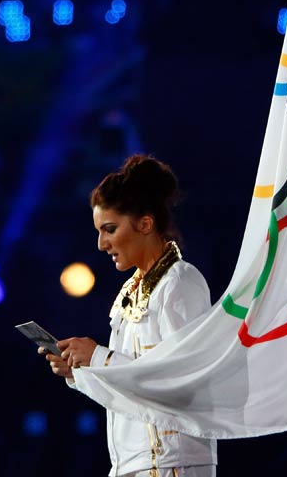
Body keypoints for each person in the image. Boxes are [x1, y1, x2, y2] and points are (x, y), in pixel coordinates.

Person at [40, 154, 217, 477]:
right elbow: (130, 387)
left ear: (145, 224)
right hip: (133, 462)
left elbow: (183, 381)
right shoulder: (129, 292)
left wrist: (98, 358)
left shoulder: (180, 282)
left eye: (109, 229)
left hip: (172, 462)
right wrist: (80, 373)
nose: (101, 243)